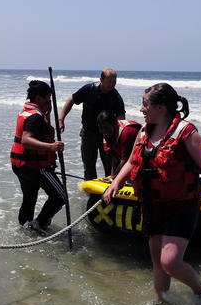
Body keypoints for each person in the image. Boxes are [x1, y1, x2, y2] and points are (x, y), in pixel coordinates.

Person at [103, 83, 201, 305]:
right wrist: (115, 183)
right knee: (157, 262)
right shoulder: (143, 132)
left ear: (160, 107)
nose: (141, 109)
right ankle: (162, 302)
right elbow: (131, 162)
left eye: (145, 104)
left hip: (181, 205)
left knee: (170, 262)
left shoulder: (186, 132)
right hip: (152, 204)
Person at [10, 80, 67, 235]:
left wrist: (47, 116)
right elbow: (26, 140)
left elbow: (42, 132)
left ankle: (24, 228)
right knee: (60, 196)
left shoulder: (27, 111)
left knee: (30, 197)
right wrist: (51, 147)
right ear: (38, 98)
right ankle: (38, 224)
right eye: (47, 97)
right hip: (34, 166)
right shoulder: (35, 117)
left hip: (20, 164)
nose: (49, 100)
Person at [59, 68, 126, 180]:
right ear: (101, 79)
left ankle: (109, 189)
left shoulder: (116, 97)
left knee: (110, 165)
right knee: (89, 165)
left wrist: (119, 139)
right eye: (109, 81)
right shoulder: (89, 89)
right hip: (88, 132)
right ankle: (91, 192)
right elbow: (71, 100)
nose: (112, 84)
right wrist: (61, 119)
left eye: (114, 81)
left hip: (107, 136)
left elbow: (121, 120)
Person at [96, 110, 141, 180]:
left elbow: (125, 160)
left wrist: (114, 178)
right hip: (127, 156)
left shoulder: (126, 132)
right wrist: (112, 176)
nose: (104, 131)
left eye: (106, 127)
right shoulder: (106, 133)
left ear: (114, 124)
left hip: (141, 155)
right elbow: (115, 157)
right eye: (101, 128)